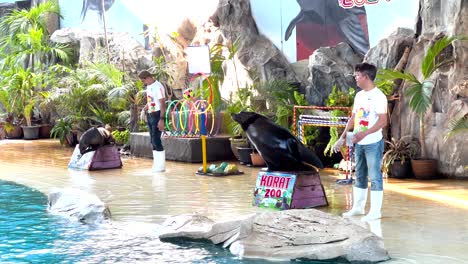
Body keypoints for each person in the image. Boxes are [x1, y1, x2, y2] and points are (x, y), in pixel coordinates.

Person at [333, 62, 388, 222]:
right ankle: (358, 207)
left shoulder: (379, 96)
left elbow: (383, 121)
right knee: (360, 174)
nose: (355, 78)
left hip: (372, 142)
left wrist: (366, 133)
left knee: (375, 176)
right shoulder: (359, 96)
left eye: (357, 75)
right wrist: (342, 137)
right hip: (358, 142)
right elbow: (354, 117)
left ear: (365, 76)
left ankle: (375, 211)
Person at [139, 70, 166, 172]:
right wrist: (144, 109)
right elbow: (151, 101)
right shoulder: (149, 87)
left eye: (143, 81)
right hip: (150, 114)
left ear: (147, 78)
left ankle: (161, 166)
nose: (143, 83)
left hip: (157, 114)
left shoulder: (157, 86)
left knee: (156, 140)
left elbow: (162, 104)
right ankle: (157, 164)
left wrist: (161, 119)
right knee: (152, 140)